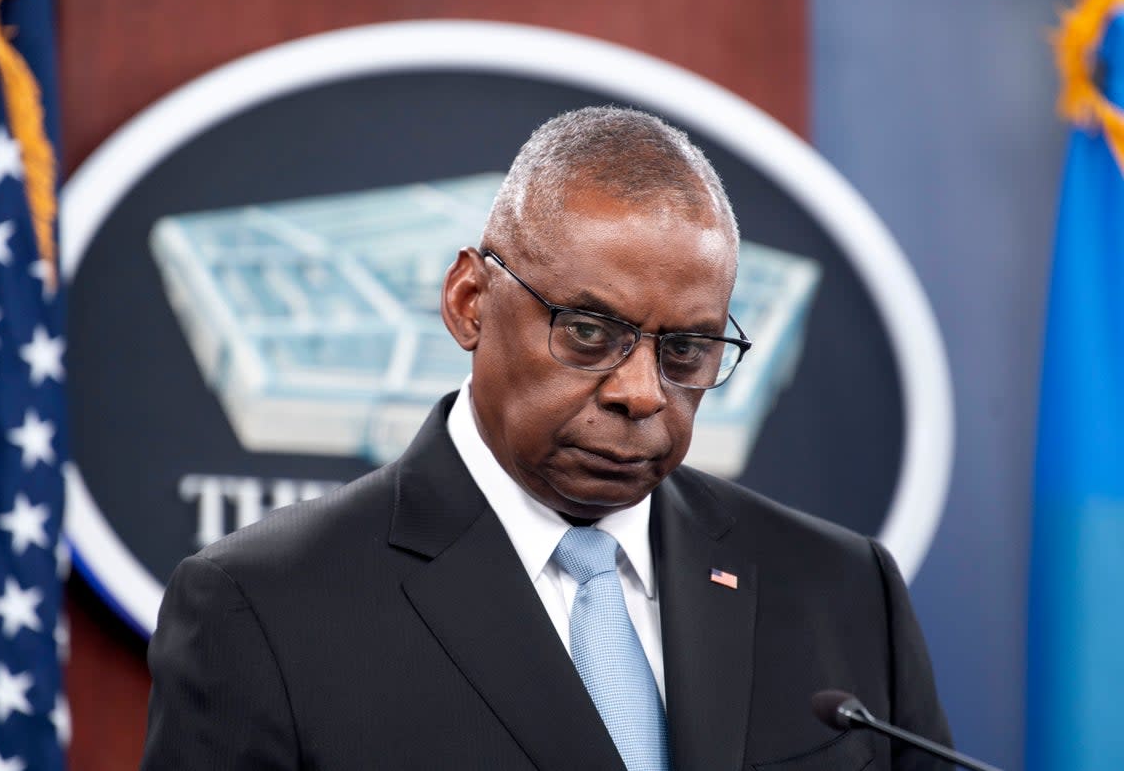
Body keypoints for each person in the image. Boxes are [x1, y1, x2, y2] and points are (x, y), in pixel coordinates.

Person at [140, 107, 950, 770]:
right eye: (590, 332)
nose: (640, 392)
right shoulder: (263, 605)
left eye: (686, 352)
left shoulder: (841, 590)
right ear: (468, 301)